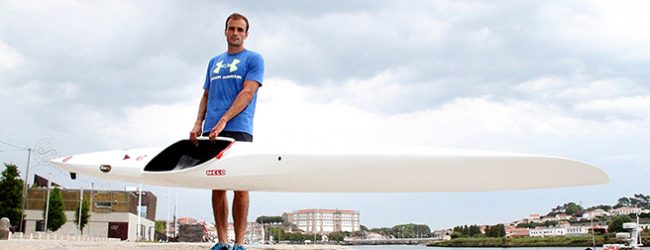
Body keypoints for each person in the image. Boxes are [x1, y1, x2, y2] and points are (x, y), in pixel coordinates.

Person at [189, 13, 264, 250]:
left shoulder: (254, 59)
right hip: (211, 129)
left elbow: (247, 93)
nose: (235, 33)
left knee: (240, 185)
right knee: (217, 183)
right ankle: (222, 242)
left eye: (240, 30)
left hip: (238, 128)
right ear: (225, 31)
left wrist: (224, 119)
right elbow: (206, 95)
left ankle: (239, 243)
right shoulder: (214, 62)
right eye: (231, 28)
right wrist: (197, 123)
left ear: (246, 34)